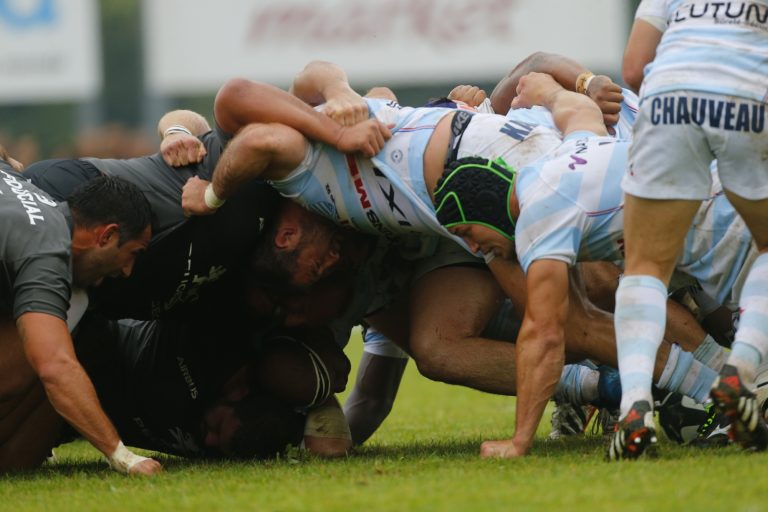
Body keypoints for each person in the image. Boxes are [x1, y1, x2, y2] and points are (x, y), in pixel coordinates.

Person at [433, 72, 744, 458]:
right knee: (635, 293)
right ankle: (701, 401)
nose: (473, 245)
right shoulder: (563, 155)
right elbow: (577, 107)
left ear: (484, 206)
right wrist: (544, 89)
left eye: (466, 231)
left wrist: (518, 442)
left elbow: (544, 336)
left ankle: (738, 397)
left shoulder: (537, 222)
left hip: (722, 225)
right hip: (724, 188)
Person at [616, 0, 768, 457]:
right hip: (749, 92)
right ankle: (739, 373)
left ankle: (633, 407)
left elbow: (634, 67)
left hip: (668, 94)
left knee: (645, 263)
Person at [0, 152, 159, 475]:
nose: (128, 271)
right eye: (132, 254)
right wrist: (124, 457)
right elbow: (54, 366)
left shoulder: (23, 187)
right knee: (40, 364)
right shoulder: (46, 248)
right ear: (106, 235)